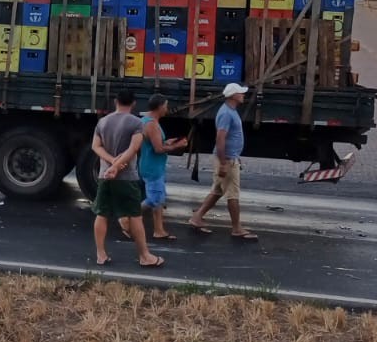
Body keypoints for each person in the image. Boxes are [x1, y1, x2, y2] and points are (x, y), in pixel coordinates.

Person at [90, 90, 165, 268]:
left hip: (104, 175)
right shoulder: (136, 122)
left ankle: (101, 254)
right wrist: (117, 165)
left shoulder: (103, 121)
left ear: (115, 101)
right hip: (127, 177)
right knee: (134, 216)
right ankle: (144, 256)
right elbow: (133, 148)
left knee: (102, 214)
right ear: (133, 104)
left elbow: (95, 146)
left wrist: (110, 162)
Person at [188, 82, 258, 241]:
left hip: (229, 157)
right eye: (240, 93)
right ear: (233, 95)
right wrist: (225, 162)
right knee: (233, 194)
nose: (243, 95)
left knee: (218, 190)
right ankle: (237, 228)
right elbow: (220, 138)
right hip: (226, 159)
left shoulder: (230, 111)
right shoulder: (226, 113)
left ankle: (197, 217)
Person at [137, 94, 190, 242]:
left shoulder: (149, 121)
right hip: (152, 167)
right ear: (159, 107)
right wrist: (176, 146)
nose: (167, 109)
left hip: (152, 165)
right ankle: (128, 218)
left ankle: (159, 230)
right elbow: (158, 149)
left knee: (159, 200)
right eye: (166, 106)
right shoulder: (151, 124)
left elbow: (156, 143)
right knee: (154, 199)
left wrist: (168, 141)